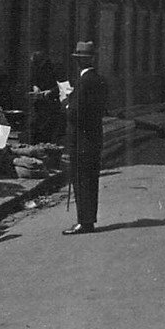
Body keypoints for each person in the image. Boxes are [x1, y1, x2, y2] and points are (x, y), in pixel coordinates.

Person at [62, 41, 108, 236]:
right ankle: (88, 219)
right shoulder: (99, 80)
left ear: (79, 61)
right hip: (93, 138)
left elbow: (76, 113)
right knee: (90, 181)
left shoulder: (83, 82)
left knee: (82, 181)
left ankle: (84, 222)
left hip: (81, 140)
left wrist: (66, 104)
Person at [29, 51, 63, 144]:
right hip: (39, 105)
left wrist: (50, 92)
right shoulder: (35, 68)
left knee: (48, 131)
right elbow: (32, 81)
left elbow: (62, 86)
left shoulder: (54, 68)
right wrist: (35, 87)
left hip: (51, 105)